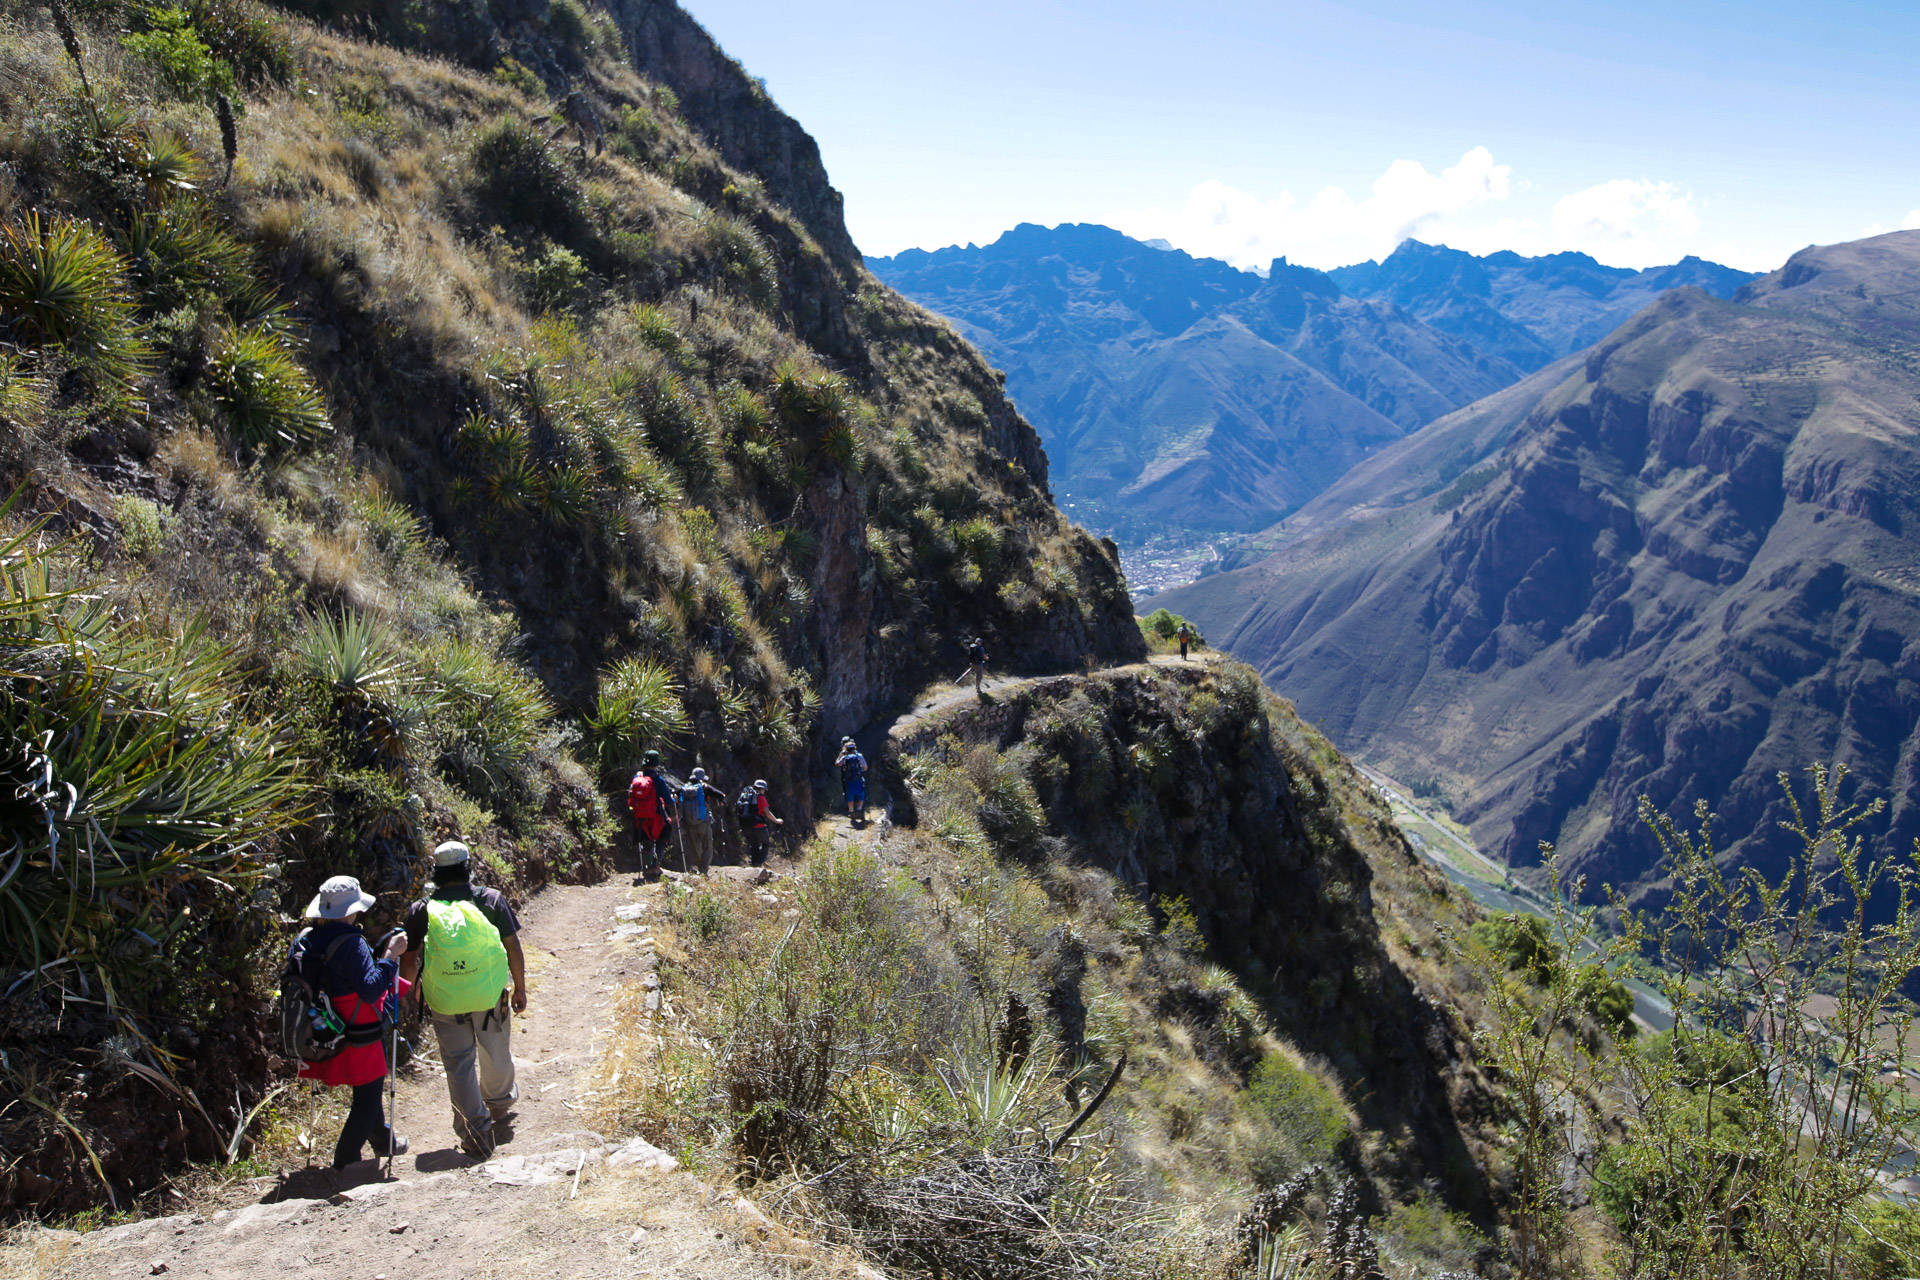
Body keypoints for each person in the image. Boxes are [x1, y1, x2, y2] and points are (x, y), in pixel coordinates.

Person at [401, 841, 527, 1159]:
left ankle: (475, 1131)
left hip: (445, 999)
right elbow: (513, 946)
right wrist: (520, 987)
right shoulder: (490, 900)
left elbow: (409, 959)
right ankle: (498, 1105)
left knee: (458, 1064)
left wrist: (415, 989)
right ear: (468, 867)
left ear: (437, 872)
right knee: (495, 1048)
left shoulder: (421, 910)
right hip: (488, 994)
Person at [292, 875, 411, 1173]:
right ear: (350, 911)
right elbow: (371, 988)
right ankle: (345, 1162)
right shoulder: (352, 942)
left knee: (368, 1090)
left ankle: (384, 1142)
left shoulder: (305, 938)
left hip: (321, 1027)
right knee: (367, 1097)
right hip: (359, 1028)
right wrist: (390, 955)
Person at [628, 749, 677, 877]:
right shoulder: (658, 779)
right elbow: (667, 800)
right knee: (664, 835)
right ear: (656, 763)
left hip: (640, 816)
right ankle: (655, 865)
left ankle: (646, 867)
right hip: (656, 816)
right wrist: (674, 802)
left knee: (646, 841)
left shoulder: (637, 778)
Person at [679, 766, 728, 875]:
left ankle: (698, 865)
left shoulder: (685, 787)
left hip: (689, 823)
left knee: (695, 846)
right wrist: (722, 801)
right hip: (703, 822)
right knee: (707, 846)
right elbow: (720, 795)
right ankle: (703, 869)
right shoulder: (705, 787)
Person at [740, 778, 784, 866]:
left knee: (754, 844)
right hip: (758, 826)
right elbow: (767, 813)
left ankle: (753, 863)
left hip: (746, 826)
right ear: (763, 789)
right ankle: (758, 863)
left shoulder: (747, 796)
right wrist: (776, 821)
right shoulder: (761, 798)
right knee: (766, 843)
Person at [836, 736, 868, 826]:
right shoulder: (859, 755)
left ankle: (851, 811)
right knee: (861, 793)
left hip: (848, 779)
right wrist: (861, 771)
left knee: (849, 794)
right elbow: (865, 767)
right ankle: (859, 810)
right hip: (858, 778)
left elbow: (837, 764)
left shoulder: (845, 757)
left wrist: (840, 755)